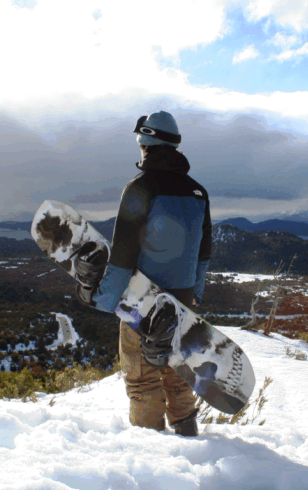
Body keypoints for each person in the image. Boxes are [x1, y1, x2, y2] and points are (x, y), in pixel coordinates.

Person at [75, 111, 211, 437]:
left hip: (142, 303)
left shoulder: (140, 188)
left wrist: (101, 298)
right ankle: (187, 433)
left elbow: (122, 257)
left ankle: (153, 454)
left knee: (142, 380)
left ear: (145, 142)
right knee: (178, 375)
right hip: (182, 304)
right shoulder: (198, 192)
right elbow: (203, 254)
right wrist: (195, 293)